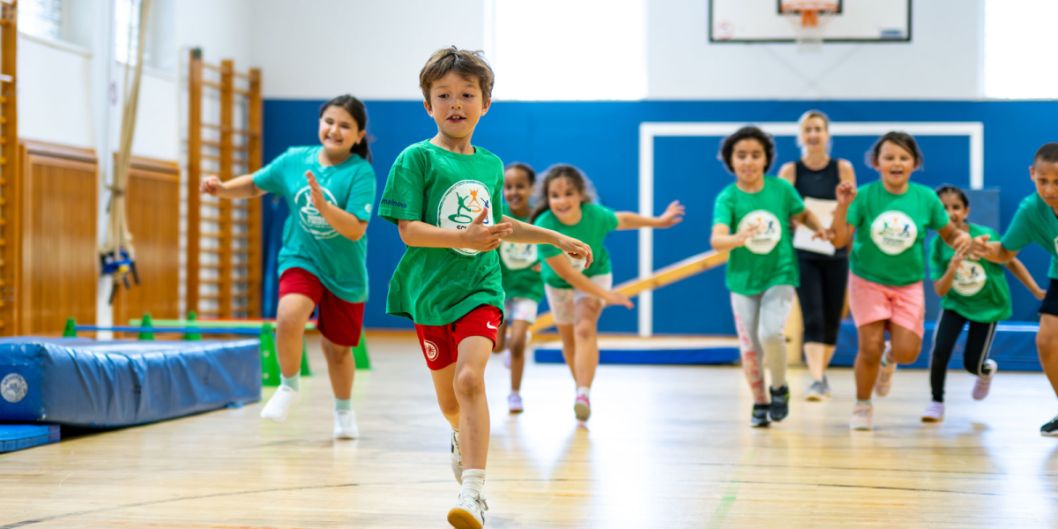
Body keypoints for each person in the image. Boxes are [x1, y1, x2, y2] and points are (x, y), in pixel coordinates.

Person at [378, 47, 592, 529]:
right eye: (444, 95)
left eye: (467, 94)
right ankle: (460, 433)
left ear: (485, 103)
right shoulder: (416, 159)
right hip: (431, 295)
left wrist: (553, 235)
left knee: (471, 380)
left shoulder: (491, 165)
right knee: (451, 401)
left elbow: (499, 225)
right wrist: (463, 237)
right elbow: (409, 231)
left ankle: (472, 492)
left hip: (481, 287)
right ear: (428, 105)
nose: (456, 103)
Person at [200, 94, 375, 439]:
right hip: (301, 257)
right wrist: (222, 189)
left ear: (358, 135)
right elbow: (255, 183)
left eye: (344, 126)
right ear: (319, 123)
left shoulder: (360, 173)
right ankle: (288, 384)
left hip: (345, 272)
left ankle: (343, 410)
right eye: (329, 121)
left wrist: (324, 207)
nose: (334, 130)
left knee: (337, 350)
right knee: (289, 316)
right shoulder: (295, 159)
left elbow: (355, 228)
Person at [830, 131, 976, 431]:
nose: (896, 163)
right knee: (868, 346)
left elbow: (948, 233)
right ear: (877, 163)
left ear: (914, 163)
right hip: (867, 279)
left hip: (907, 284)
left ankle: (889, 360)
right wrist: (843, 205)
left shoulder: (925, 198)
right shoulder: (865, 196)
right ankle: (862, 405)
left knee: (908, 351)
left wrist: (962, 239)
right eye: (889, 157)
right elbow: (840, 238)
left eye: (903, 157)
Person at [532, 163, 684, 422]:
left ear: (581, 195)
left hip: (595, 274)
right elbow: (568, 275)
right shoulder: (544, 225)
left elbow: (623, 219)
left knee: (584, 328)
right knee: (568, 339)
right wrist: (608, 296)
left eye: (568, 193)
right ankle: (579, 384)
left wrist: (658, 221)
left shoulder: (595, 216)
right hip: (559, 284)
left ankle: (583, 393)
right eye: (555, 195)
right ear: (548, 199)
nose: (562, 200)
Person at [712, 125, 828, 428]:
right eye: (741, 156)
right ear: (731, 161)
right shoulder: (728, 198)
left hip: (781, 272)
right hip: (742, 280)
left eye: (755, 155)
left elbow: (802, 214)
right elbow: (717, 239)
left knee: (770, 333)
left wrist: (819, 229)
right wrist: (737, 237)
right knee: (750, 346)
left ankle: (779, 388)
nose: (748, 161)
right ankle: (760, 401)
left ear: (766, 159)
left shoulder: (781, 189)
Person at [921, 185, 1044, 422]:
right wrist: (953, 267)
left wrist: (1035, 289)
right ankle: (936, 401)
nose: (950, 213)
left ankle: (985, 371)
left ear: (966, 210)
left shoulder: (984, 234)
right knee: (940, 351)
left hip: (988, 306)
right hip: (955, 304)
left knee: (972, 364)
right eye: (943, 208)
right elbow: (940, 289)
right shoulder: (936, 246)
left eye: (955, 207)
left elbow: (1011, 261)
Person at [977, 142, 1058, 436]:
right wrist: (983, 247)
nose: (1049, 189)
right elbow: (1005, 253)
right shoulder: (1031, 211)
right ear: (1031, 174)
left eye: (1057, 182)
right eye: (1043, 181)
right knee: (1046, 342)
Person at [778, 110, 856, 401]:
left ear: (827, 135)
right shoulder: (790, 171)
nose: (813, 135)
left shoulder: (843, 168)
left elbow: (851, 209)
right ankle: (816, 377)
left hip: (835, 250)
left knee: (833, 316)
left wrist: (842, 235)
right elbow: (781, 208)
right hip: (804, 252)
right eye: (808, 129)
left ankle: (821, 373)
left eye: (818, 129)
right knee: (813, 315)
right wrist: (798, 222)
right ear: (801, 136)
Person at [493, 162, 543, 413]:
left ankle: (515, 394)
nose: (513, 192)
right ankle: (512, 343)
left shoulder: (539, 218)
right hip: (500, 289)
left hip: (528, 290)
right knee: (497, 346)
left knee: (518, 344)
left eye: (520, 187)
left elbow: (552, 245)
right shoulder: (499, 215)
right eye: (509, 187)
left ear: (532, 188)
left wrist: (545, 265)